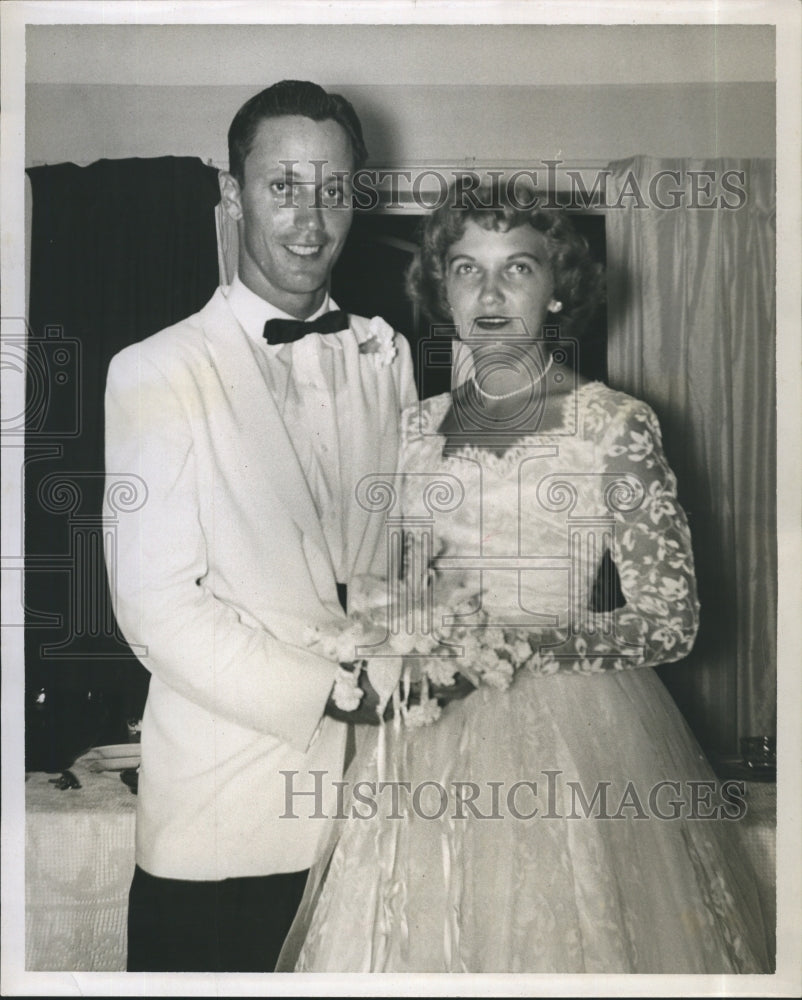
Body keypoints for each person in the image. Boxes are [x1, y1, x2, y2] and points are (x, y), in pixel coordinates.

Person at [278, 178, 772, 973]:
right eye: (467, 268)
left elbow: (670, 622)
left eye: (518, 267)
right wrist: (390, 642)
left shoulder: (613, 423)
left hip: (575, 742)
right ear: (442, 290)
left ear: (557, 290)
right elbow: (411, 589)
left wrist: (506, 649)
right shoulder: (416, 426)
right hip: (427, 740)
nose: (491, 290)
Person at [103, 80, 418, 972]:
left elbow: (392, 562)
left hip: (367, 826)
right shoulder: (155, 371)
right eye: (283, 186)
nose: (311, 218)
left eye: (333, 189)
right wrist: (328, 688)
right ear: (232, 197)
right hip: (221, 833)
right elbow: (155, 609)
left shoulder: (385, 356)